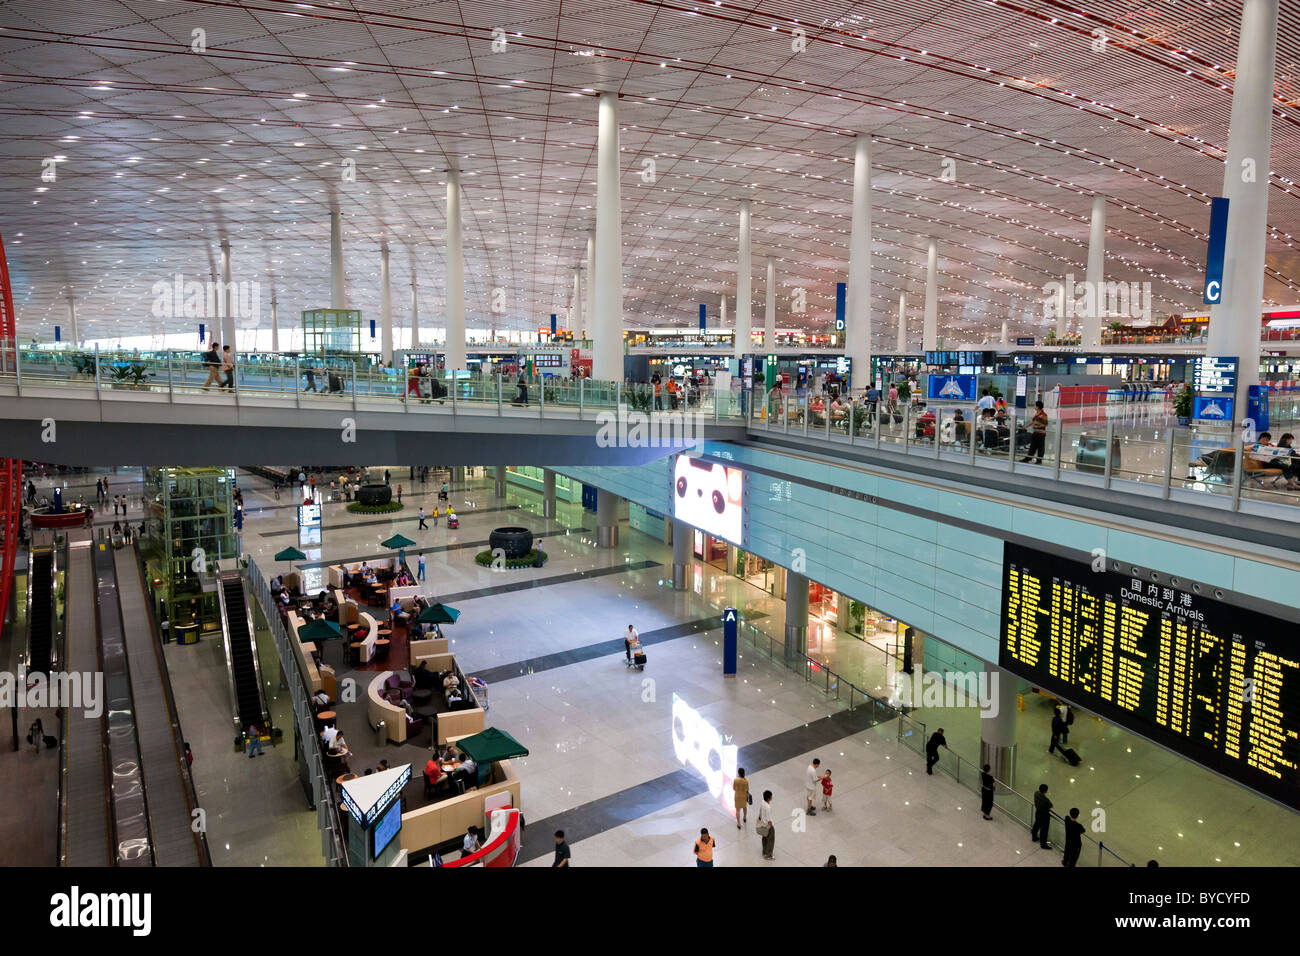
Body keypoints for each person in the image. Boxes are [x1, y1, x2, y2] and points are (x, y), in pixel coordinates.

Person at [1021, 400, 1048, 464]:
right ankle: (1028, 458)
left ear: (1038, 407)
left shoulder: (1044, 415)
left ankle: (1039, 460)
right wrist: (1026, 426)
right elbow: (1033, 421)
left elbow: (1045, 424)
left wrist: (1037, 426)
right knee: (1032, 446)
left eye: (1035, 405)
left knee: (1040, 447)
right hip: (1035, 433)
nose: (1034, 406)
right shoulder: (1036, 414)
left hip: (1041, 434)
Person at [1031, 784, 1052, 849]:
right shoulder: (1046, 800)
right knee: (1044, 830)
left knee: (1036, 825)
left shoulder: (1036, 793)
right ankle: (1043, 844)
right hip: (1044, 816)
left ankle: (1034, 837)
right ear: (1045, 791)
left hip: (1038, 813)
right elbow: (1050, 805)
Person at [756, 790, 775, 860]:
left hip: (762, 825)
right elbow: (769, 819)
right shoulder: (768, 807)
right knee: (771, 840)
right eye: (771, 796)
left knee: (764, 838)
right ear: (769, 798)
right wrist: (771, 826)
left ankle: (764, 851)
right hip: (767, 826)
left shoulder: (762, 802)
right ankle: (769, 855)